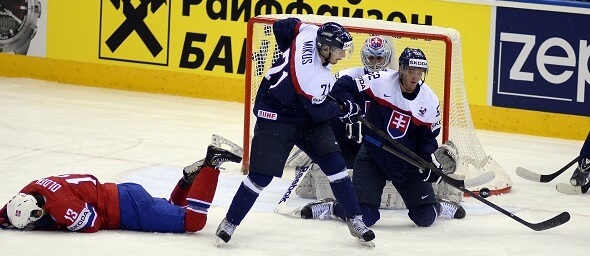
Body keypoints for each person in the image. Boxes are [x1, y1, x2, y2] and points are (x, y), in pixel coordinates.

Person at [215, 18, 375, 246]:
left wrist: (288, 55)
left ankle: (355, 219)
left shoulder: (309, 32)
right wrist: (343, 108)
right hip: (278, 117)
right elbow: (320, 112)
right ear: (326, 48)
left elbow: (283, 26)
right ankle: (230, 222)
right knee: (260, 177)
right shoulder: (312, 77)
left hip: (304, 112)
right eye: (340, 51)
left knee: (335, 164)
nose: (342, 56)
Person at [300, 47, 465, 228]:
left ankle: (438, 206)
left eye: (419, 73)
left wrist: (427, 161)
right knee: (364, 216)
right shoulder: (381, 81)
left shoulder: (429, 101)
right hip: (373, 155)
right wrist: (349, 105)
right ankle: (333, 207)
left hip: (406, 162)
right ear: (401, 68)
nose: (415, 77)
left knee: (424, 217)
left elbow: (427, 139)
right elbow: (345, 85)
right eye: (411, 71)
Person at [0, 138, 242, 233]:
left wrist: (48, 224)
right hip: (125, 192)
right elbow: (11, 209)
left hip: (127, 209)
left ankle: (212, 163)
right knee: (170, 209)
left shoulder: (61, 206)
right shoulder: (32, 189)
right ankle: (189, 180)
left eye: (36, 215)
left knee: (194, 222)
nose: (36, 219)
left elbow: (92, 223)